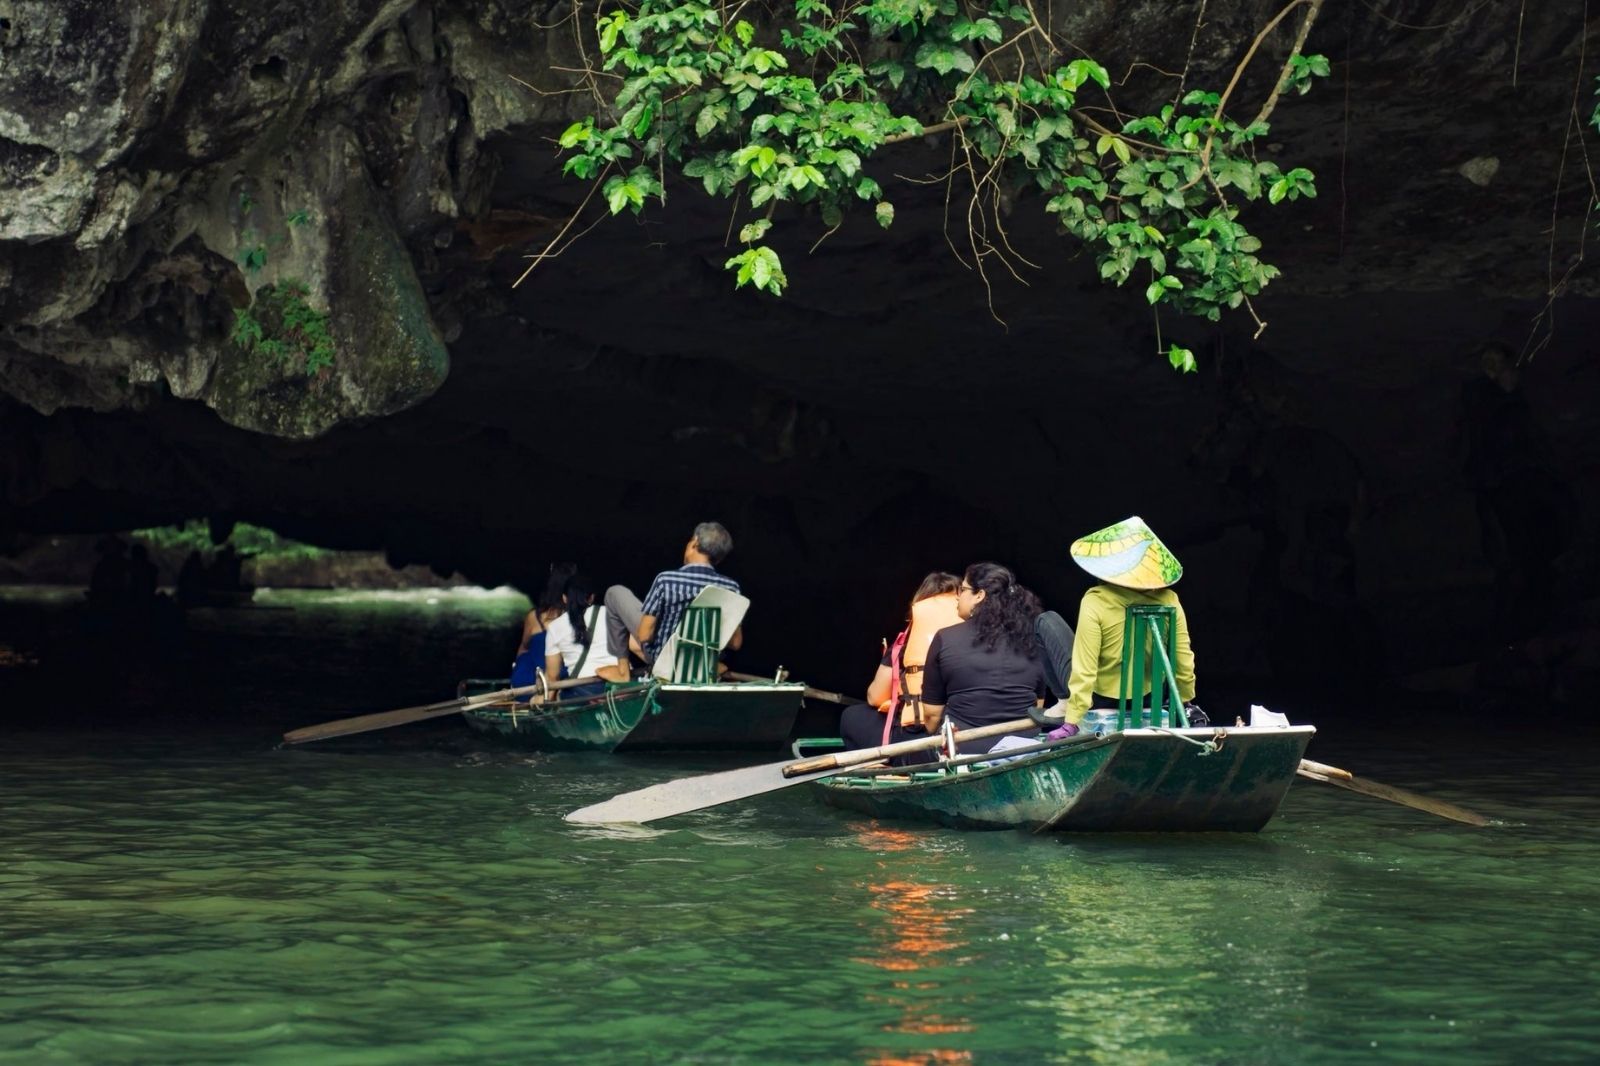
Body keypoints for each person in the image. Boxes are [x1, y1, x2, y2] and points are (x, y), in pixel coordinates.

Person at [1045, 516, 1201, 739]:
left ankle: (1063, 702)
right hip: (1150, 696)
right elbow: (1182, 658)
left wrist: (1072, 720)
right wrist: (1185, 700)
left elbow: (1085, 668)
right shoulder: (1170, 599)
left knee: (1046, 620)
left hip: (1100, 697)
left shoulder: (1095, 600)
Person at [917, 561, 1048, 756]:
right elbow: (1038, 705)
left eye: (962, 589)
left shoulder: (945, 638)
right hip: (1024, 747)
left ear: (979, 595)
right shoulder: (1032, 639)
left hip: (964, 748)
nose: (957, 597)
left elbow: (932, 715)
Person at [838, 572, 961, 752]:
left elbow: (875, 697)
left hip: (919, 732)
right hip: (966, 726)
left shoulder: (906, 644)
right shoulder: (976, 640)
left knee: (852, 715)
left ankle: (881, 765)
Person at [605, 522, 743, 670]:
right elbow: (735, 643)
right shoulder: (731, 587)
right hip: (701, 663)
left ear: (694, 542)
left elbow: (644, 635)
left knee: (615, 593)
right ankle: (707, 664)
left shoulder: (666, 579)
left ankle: (622, 670)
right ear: (719, 557)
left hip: (664, 660)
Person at [542, 574, 632, 700]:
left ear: (564, 599)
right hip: (621, 686)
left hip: (582, 692)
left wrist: (545, 703)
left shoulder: (555, 627)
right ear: (592, 597)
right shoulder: (611, 613)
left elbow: (552, 676)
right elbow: (636, 647)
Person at [511, 562, 576, 689]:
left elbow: (524, 648)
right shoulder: (579, 618)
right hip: (559, 683)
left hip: (527, 682)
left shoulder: (534, 617)